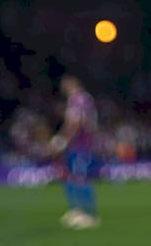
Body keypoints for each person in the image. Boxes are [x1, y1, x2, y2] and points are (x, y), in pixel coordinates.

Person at [49, 75, 100, 230]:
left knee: (80, 177)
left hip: (81, 145)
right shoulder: (79, 99)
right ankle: (78, 210)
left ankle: (90, 215)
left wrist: (63, 140)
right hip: (78, 144)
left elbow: (75, 123)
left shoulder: (78, 99)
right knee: (71, 176)